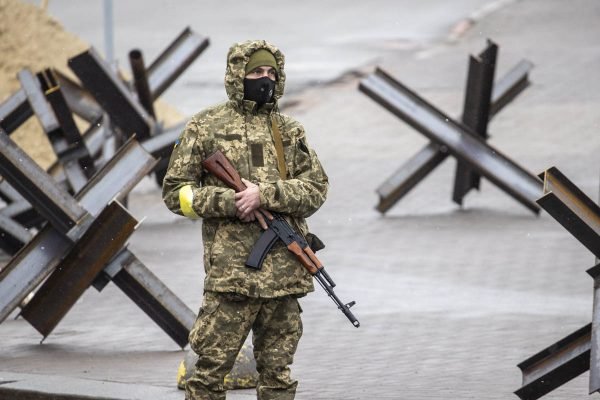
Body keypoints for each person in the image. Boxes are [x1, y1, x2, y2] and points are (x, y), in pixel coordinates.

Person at [162, 39, 329, 400]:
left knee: (278, 378)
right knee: (207, 377)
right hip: (231, 279)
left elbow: (316, 189)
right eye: (256, 72)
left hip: (283, 279)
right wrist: (231, 200)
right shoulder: (205, 126)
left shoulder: (289, 130)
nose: (264, 79)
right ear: (238, 75)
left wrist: (265, 194)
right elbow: (176, 193)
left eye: (271, 72)